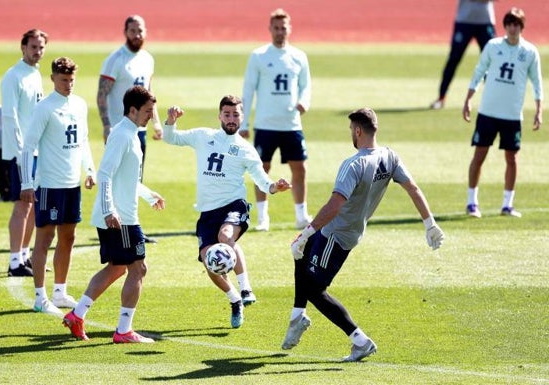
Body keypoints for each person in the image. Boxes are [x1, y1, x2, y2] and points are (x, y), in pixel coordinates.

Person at [284, 108, 445, 362]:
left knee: (316, 291)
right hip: (351, 229)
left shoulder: (353, 164)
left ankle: (360, 340)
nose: (351, 134)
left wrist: (306, 232)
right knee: (300, 254)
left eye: (351, 129)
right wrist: (430, 223)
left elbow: (334, 205)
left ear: (358, 130)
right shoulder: (389, 157)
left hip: (336, 234)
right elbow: (412, 188)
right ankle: (296, 316)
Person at [163, 95, 291, 328]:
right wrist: (171, 121)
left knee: (225, 237)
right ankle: (234, 299)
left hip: (234, 204)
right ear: (219, 115)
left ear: (242, 117)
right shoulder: (204, 136)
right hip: (207, 212)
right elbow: (171, 138)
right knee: (209, 261)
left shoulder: (246, 150)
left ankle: (245, 288)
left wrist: (275, 187)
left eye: (236, 115)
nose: (231, 119)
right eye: (227, 114)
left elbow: (262, 181)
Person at [63, 86, 165, 343]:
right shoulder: (122, 135)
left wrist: (149, 194)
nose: (151, 117)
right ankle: (123, 331)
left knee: (118, 267)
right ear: (132, 110)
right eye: (147, 111)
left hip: (118, 215)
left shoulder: (131, 133)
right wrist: (110, 210)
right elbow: (105, 174)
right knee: (138, 269)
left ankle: (77, 315)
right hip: (122, 218)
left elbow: (126, 178)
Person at [20, 57, 96, 315]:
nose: (68, 85)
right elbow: (28, 146)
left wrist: (90, 170)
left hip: (71, 184)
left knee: (69, 237)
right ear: (52, 78)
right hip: (49, 185)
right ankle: (40, 298)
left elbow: (83, 140)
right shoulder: (45, 108)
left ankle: (60, 292)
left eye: (72, 80)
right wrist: (27, 183)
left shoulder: (80, 104)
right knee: (45, 238)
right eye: (64, 80)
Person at [462, 7, 543, 218]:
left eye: (517, 24)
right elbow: (479, 71)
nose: (513, 28)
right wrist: (469, 98)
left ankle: (507, 204)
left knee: (512, 158)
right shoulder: (493, 46)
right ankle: (472, 202)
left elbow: (537, 82)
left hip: (512, 115)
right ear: (505, 26)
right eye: (509, 24)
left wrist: (538, 110)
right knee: (479, 154)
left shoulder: (530, 52)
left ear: (521, 27)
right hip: (488, 111)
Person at [240, 8, 312, 231]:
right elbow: (248, 89)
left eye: (284, 28)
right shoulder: (259, 56)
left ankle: (301, 215)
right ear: (270, 29)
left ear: (289, 29)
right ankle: (263, 217)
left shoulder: (299, 56)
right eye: (276, 28)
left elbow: (306, 84)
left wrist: (304, 102)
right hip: (265, 123)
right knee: (262, 168)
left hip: (291, 123)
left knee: (299, 168)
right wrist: (244, 123)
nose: (280, 32)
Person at [98, 14, 163, 243]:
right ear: (125, 32)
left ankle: (132, 226)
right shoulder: (116, 60)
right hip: (120, 129)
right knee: (116, 176)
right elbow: (102, 94)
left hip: (140, 131)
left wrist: (155, 121)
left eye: (141, 30)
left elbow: (149, 93)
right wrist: (106, 125)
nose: (138, 35)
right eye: (133, 31)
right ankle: (114, 221)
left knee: (136, 177)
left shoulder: (147, 59)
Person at [0, 29, 49, 277]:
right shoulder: (13, 76)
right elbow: (10, 117)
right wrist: (21, 153)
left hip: (38, 150)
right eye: (33, 47)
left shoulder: (35, 74)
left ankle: (24, 255)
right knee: (22, 205)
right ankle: (13, 262)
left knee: (33, 205)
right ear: (23, 47)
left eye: (41, 47)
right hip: (22, 153)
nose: (37, 52)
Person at [431, 0, 496, 110]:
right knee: (454, 59)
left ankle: (493, 100)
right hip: (464, 21)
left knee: (491, 62)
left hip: (485, 21)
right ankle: (441, 97)